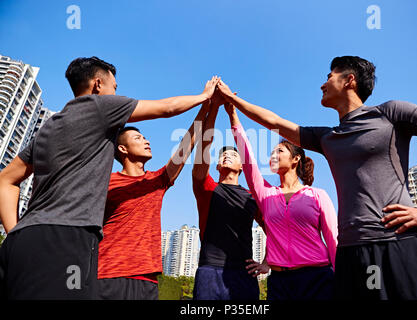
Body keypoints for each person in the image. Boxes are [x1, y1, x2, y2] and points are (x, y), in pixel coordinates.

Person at [216, 55, 417, 299]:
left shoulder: (391, 114)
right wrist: (233, 100)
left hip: (401, 243)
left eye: (329, 76)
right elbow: (274, 121)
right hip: (351, 252)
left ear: (349, 80)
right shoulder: (327, 137)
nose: (322, 84)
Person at [0, 56, 220, 299]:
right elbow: (167, 108)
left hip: (28, 243)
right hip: (98, 270)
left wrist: (15, 232)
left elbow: (5, 180)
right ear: (97, 85)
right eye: (114, 87)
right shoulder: (100, 113)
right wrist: (205, 95)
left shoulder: (48, 130)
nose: (146, 140)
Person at [224, 103, 337, 300]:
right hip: (279, 282)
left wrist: (343, 278)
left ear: (295, 160)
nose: (273, 156)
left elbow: (333, 239)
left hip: (318, 277)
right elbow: (249, 161)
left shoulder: (318, 195)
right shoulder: (266, 194)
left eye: (280, 151)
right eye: (272, 153)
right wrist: (233, 116)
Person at [97, 101, 209, 300]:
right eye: (138, 138)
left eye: (145, 137)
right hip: (108, 275)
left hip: (147, 278)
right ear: (123, 149)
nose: (146, 141)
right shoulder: (107, 182)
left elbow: (186, 146)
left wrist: (206, 106)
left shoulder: (157, 181)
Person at [191, 93, 264, 300]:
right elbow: (204, 146)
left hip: (244, 273)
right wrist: (214, 107)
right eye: (222, 154)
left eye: (233, 154)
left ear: (242, 166)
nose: (226, 155)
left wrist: (268, 261)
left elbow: (273, 228)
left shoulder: (253, 196)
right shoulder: (206, 188)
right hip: (209, 270)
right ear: (216, 166)